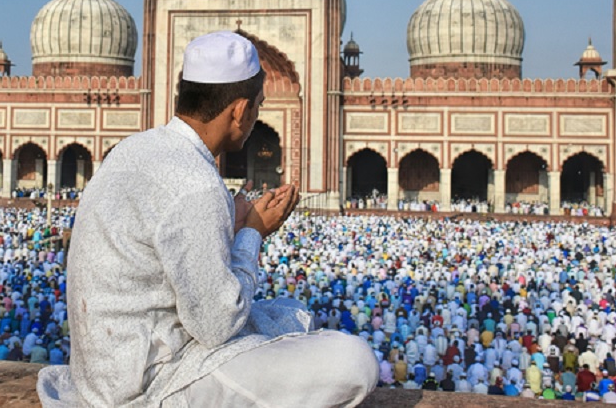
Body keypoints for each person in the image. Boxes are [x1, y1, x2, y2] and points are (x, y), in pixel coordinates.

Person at [36, 31, 378, 407]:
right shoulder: (197, 183)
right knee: (354, 362)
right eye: (258, 106)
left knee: (291, 314)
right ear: (240, 110)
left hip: (106, 373)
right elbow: (217, 326)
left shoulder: (134, 149)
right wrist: (251, 233)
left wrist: (227, 229)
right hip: (149, 388)